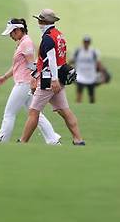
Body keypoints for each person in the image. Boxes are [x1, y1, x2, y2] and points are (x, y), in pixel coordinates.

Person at [19, 9, 86, 146]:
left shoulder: (48, 38)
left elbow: (51, 60)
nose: (38, 23)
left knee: (33, 112)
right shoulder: (59, 35)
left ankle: (23, 142)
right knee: (64, 110)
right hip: (58, 78)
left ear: (43, 22)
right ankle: (78, 139)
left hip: (49, 80)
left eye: (39, 20)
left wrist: (53, 79)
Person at [0, 18, 61, 145]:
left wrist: (35, 80)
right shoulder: (22, 43)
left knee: (9, 113)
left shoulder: (26, 43)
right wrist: (4, 77)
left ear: (18, 30)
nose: (10, 36)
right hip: (25, 83)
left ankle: (2, 138)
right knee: (35, 113)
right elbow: (18, 66)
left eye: (11, 33)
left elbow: (32, 65)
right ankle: (53, 139)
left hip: (24, 84)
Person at [71, 35, 102, 104]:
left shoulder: (94, 52)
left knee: (91, 94)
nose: (86, 43)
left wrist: (102, 73)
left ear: (89, 43)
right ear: (83, 42)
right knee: (79, 93)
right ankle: (78, 104)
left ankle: (92, 105)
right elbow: (72, 61)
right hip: (80, 75)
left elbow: (98, 63)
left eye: (87, 42)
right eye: (85, 42)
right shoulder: (78, 51)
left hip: (91, 76)